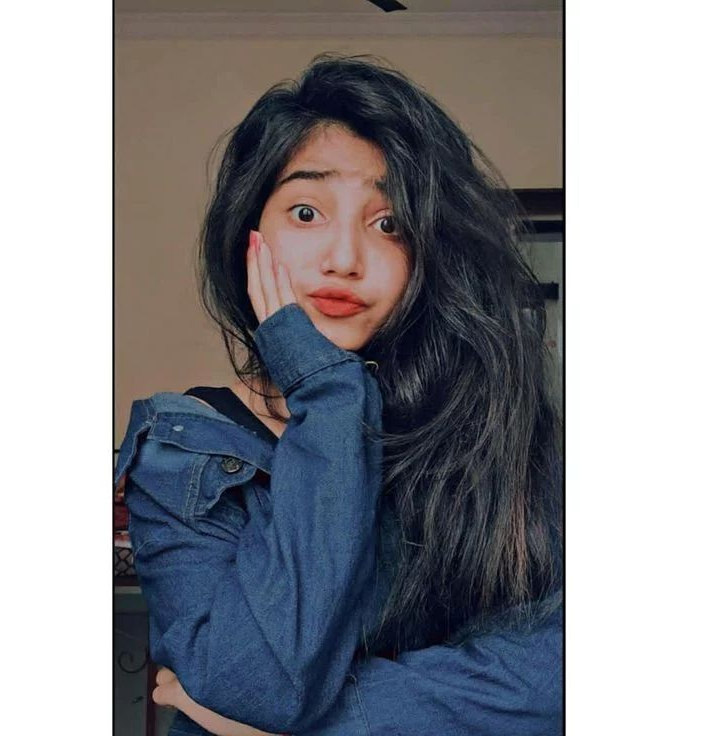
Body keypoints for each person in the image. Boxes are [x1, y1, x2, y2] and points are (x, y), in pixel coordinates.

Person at [115, 54, 562, 736]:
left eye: (390, 224)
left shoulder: (497, 430)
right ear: (247, 232)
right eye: (306, 212)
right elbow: (261, 683)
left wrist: (330, 720)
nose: (344, 259)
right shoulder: (184, 449)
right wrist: (327, 391)